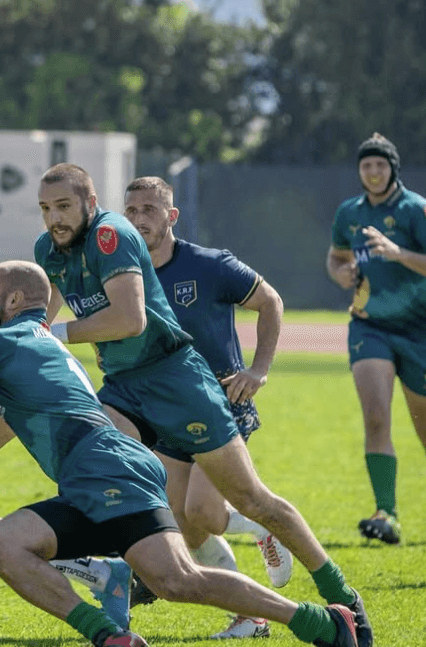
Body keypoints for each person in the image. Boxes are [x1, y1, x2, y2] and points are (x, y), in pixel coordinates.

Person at [0, 260, 365, 647]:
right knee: (5, 545)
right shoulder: (41, 352)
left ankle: (319, 621)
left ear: (12, 300)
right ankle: (110, 636)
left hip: (109, 472)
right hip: (93, 480)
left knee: (177, 582)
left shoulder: (1, 343)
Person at [32, 163, 371, 647]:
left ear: (90, 204)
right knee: (94, 458)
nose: (53, 218)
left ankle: (341, 595)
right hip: (126, 386)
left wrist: (259, 369)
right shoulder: (50, 249)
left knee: (246, 502)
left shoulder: (117, 239)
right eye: (45, 208)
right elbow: (43, 318)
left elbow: (129, 320)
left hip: (182, 384)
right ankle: (125, 567)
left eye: (63, 206)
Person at [117, 176, 287, 639]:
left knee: (206, 515)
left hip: (221, 404)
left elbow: (271, 302)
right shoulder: (124, 273)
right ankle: (250, 615)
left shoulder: (210, 265)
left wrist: (259, 369)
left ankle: (259, 525)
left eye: (150, 209)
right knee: (182, 523)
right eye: (131, 210)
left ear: (172, 217)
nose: (139, 219)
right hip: (167, 412)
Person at [327, 133, 426, 545]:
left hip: (419, 330)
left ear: (392, 168)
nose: (373, 172)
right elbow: (336, 256)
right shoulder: (349, 212)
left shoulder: (416, 209)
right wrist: (340, 273)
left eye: (380, 165)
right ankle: (387, 513)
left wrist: (396, 252)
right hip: (370, 327)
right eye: (366, 165)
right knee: (376, 417)